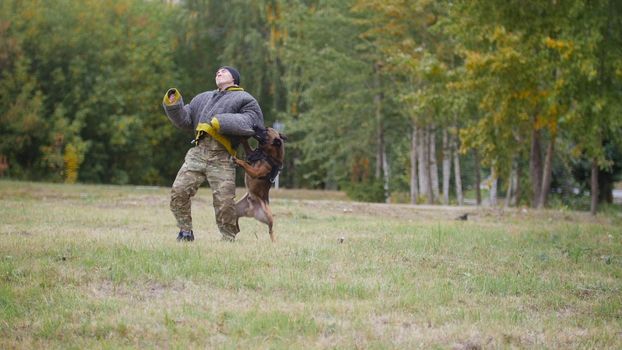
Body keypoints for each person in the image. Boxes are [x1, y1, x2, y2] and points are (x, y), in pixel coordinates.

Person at [162, 66, 264, 242]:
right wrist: (174, 105)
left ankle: (228, 238)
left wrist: (220, 122)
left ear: (234, 79)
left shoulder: (245, 98)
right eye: (217, 71)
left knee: (225, 204)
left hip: (223, 156)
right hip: (197, 153)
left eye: (224, 71)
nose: (219, 73)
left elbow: (253, 122)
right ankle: (185, 232)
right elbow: (186, 120)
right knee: (178, 193)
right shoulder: (203, 97)